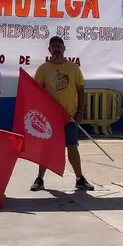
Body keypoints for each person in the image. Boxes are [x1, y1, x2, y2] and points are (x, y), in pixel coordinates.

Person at [30, 36, 95, 191]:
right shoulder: (43, 69)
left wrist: (80, 111)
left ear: (64, 48)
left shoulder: (73, 68)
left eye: (59, 46)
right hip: (49, 119)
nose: (57, 49)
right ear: (49, 50)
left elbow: (81, 90)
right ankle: (40, 179)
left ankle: (79, 179)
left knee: (72, 146)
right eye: (53, 47)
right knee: (46, 148)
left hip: (70, 117)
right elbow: (37, 92)